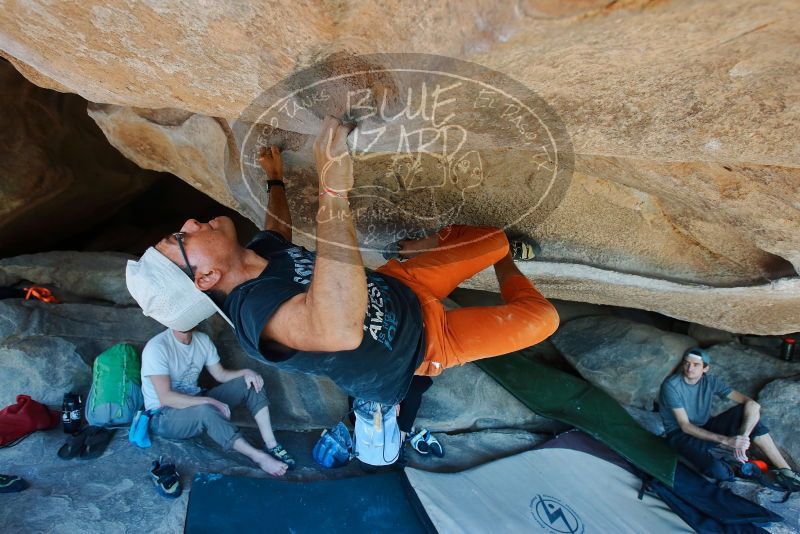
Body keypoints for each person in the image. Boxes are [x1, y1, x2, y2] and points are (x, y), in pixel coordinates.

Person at [126, 116, 559, 413]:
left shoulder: (257, 256)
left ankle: (425, 248)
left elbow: (276, 231)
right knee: (542, 319)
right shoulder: (257, 318)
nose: (187, 223)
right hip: (422, 345)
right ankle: (504, 262)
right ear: (205, 277)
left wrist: (275, 178)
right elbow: (337, 329)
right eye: (180, 240)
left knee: (493, 238)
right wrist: (331, 189)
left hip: (400, 286)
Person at [141, 327, 293, 477]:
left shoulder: (202, 340)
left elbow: (220, 375)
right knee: (205, 410)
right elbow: (166, 397)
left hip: (196, 400)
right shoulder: (157, 347)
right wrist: (208, 400)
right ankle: (258, 457)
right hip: (163, 415)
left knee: (250, 383)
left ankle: (271, 444)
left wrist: (246, 372)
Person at [659, 347, 800, 488]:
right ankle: (734, 467)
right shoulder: (671, 385)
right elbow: (685, 426)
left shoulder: (710, 381)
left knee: (743, 412)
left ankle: (786, 472)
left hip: (705, 426)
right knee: (718, 472)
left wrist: (743, 437)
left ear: (705, 369)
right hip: (680, 435)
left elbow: (753, 404)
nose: (690, 368)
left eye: (696, 365)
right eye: (687, 363)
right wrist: (727, 440)